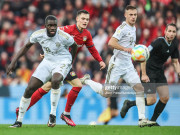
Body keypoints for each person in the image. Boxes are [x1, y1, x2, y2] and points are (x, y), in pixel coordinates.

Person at [15, 10, 106, 127]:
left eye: (87, 19)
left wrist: (100, 60)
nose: (85, 21)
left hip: (65, 64)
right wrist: (47, 52)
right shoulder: (67, 29)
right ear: (77, 19)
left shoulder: (86, 35)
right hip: (58, 62)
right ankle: (65, 114)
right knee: (77, 85)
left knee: (46, 87)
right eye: (83, 19)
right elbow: (50, 36)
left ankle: (22, 109)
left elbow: (92, 49)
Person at [80, 5, 156, 127]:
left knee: (139, 89)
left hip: (128, 66)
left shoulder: (133, 28)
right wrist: (124, 48)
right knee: (106, 93)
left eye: (135, 15)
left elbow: (130, 43)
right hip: (116, 65)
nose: (133, 17)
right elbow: (111, 42)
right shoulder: (122, 28)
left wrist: (138, 48)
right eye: (130, 15)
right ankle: (87, 81)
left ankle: (142, 119)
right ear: (125, 15)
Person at [7, 15, 77, 128]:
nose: (53, 28)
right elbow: (26, 46)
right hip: (48, 61)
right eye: (50, 25)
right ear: (45, 26)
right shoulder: (38, 34)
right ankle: (18, 121)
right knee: (29, 88)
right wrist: (13, 62)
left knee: (55, 80)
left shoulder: (63, 36)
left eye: (55, 25)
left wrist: (70, 62)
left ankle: (52, 114)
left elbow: (74, 45)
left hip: (62, 61)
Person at [120, 23, 180, 126]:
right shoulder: (158, 42)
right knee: (151, 100)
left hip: (159, 72)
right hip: (148, 71)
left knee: (165, 98)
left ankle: (152, 121)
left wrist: (178, 72)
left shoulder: (174, 45)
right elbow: (143, 55)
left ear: (176, 33)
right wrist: (143, 74)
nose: (171, 33)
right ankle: (129, 104)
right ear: (165, 32)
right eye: (169, 31)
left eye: (173, 32)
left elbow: (175, 61)